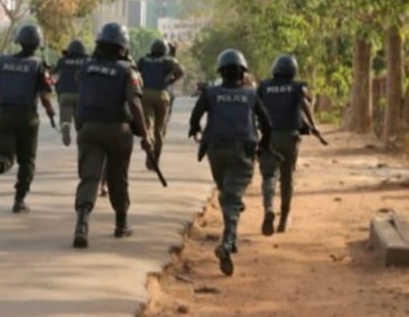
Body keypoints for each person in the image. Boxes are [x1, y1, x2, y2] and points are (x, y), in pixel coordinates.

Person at [189, 49, 272, 276]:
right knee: (233, 198)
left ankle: (232, 239)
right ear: (242, 73)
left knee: (227, 193)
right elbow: (267, 124)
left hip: (216, 151)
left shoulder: (210, 93)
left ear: (221, 71)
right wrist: (265, 146)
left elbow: (195, 117)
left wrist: (194, 129)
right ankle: (226, 243)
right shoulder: (251, 94)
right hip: (242, 152)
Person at [71, 22, 152, 248]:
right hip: (118, 129)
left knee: (90, 177)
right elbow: (134, 103)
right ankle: (121, 224)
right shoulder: (127, 70)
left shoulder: (86, 66)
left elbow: (83, 89)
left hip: (89, 128)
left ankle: (81, 226)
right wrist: (145, 135)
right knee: (118, 177)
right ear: (123, 47)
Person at [0, 24, 56, 213]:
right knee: (27, 160)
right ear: (38, 44)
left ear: (19, 41)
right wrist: (51, 113)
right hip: (27, 117)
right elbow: (44, 95)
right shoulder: (38, 64)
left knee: (4, 154)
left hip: (3, 114)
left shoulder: (4, 61)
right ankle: (19, 200)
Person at [256, 54, 319, 235]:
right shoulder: (297, 87)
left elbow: (255, 107)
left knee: (269, 176)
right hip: (290, 138)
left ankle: (269, 207)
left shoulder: (264, 86)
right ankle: (283, 219)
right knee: (287, 178)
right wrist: (313, 126)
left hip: (270, 137)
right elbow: (305, 105)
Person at [137, 38, 185, 168]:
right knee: (159, 129)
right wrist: (171, 80)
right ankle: (154, 160)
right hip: (162, 95)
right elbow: (181, 71)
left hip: (145, 94)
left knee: (149, 124)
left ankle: (148, 141)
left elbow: (134, 72)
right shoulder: (168, 60)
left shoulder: (143, 60)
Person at [52, 38, 87, 146]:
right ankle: (81, 134)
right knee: (80, 121)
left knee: (65, 117)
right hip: (81, 95)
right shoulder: (87, 61)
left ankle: (66, 125)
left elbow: (53, 73)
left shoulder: (63, 60)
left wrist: (56, 86)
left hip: (65, 94)